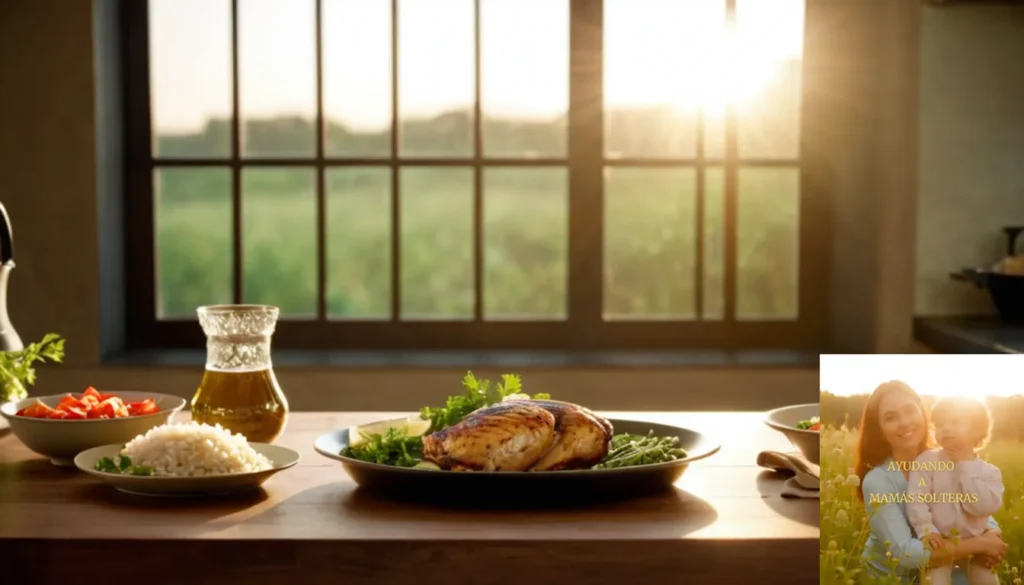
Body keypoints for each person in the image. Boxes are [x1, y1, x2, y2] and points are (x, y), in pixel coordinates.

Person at [855, 381, 1007, 584]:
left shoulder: (946, 457)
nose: (904, 422)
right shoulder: (878, 481)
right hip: (895, 577)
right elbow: (905, 553)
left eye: (910, 411)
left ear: (923, 413)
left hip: (948, 562)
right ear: (880, 430)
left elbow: (968, 504)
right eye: (890, 418)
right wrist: (980, 545)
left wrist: (992, 533)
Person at [906, 395, 1004, 585]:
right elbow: (916, 500)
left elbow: (982, 508)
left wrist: (965, 466)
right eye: (940, 424)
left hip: (976, 546)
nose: (946, 429)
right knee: (934, 581)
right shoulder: (926, 462)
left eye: (955, 422)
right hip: (940, 543)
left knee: (988, 581)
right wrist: (927, 531)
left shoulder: (989, 473)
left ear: (976, 430)